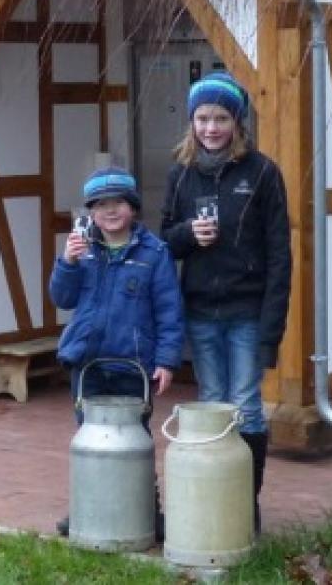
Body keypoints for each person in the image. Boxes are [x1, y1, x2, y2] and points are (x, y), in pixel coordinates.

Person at [159, 71, 292, 535]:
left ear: (237, 122)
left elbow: (281, 257)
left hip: (247, 312)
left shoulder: (262, 173)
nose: (211, 128)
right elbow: (164, 243)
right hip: (201, 310)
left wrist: (271, 332)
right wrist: (187, 237)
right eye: (202, 118)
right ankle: (215, 497)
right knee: (212, 402)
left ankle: (245, 503)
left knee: (247, 405)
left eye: (220, 118)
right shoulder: (181, 175)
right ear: (191, 122)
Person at [49, 166, 184, 540]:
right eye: (101, 205)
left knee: (135, 441)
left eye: (118, 204)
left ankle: (144, 511)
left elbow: (169, 311)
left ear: (134, 208)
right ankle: (86, 509)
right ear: (90, 213)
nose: (110, 212)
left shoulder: (154, 253)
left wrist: (167, 360)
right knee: (90, 441)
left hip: (132, 366)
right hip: (88, 364)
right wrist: (68, 262)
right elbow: (62, 297)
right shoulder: (82, 250)